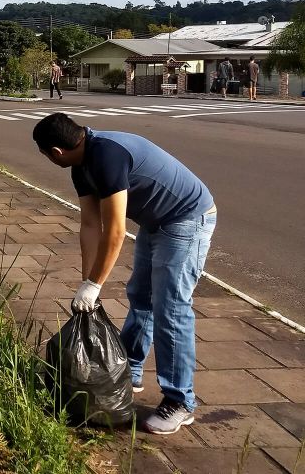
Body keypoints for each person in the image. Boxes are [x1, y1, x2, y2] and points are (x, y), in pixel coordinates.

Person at [32, 113, 216, 436]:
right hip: (156, 221)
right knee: (141, 297)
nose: (48, 159)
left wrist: (95, 283)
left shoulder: (106, 155)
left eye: (45, 154)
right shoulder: (81, 167)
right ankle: (127, 367)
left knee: (170, 309)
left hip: (187, 218)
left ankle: (180, 401)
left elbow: (115, 232)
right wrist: (89, 280)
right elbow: (91, 225)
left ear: (56, 152)